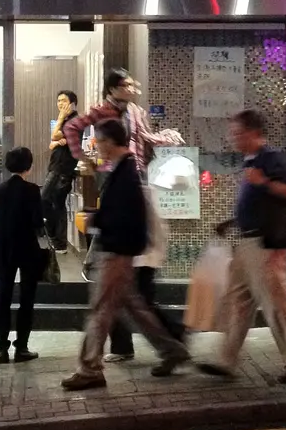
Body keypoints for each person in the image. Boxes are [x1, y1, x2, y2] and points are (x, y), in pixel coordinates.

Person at [62, 120, 190, 390]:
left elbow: (124, 216)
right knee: (136, 308)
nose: (97, 147)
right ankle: (173, 350)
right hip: (119, 251)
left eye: (99, 141)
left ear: (110, 142)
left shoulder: (126, 173)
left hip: (117, 252)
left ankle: (90, 368)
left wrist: (97, 220)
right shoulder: (123, 170)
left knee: (100, 310)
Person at [197, 109, 286, 384]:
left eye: (238, 133)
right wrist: (232, 222)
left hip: (263, 244)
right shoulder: (251, 161)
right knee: (238, 302)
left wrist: (263, 182)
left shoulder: (270, 158)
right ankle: (226, 360)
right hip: (246, 242)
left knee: (275, 303)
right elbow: (258, 204)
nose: (233, 138)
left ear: (253, 132)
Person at [64, 68, 184, 281]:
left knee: (130, 216)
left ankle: (134, 265)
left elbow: (145, 137)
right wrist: (83, 157)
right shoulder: (101, 110)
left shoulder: (135, 111)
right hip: (109, 171)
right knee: (112, 216)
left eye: (131, 85)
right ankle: (96, 265)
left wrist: (166, 138)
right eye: (125, 85)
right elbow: (72, 128)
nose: (130, 89)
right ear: (112, 89)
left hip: (133, 168)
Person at [104, 185, 187, 362]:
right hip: (137, 257)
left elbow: (141, 227)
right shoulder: (133, 188)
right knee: (127, 303)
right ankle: (124, 347)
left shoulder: (134, 189)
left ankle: (174, 338)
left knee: (139, 305)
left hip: (138, 259)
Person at [0, 146, 44, 364]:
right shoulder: (33, 191)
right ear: (28, 166)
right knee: (27, 299)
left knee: (3, 299)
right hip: (28, 251)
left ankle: (2, 349)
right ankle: (22, 348)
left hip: (3, 251)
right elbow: (38, 223)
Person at [42, 90, 79, 253]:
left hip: (62, 168)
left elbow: (54, 135)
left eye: (64, 100)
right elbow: (53, 141)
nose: (60, 104)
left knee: (44, 199)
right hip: (57, 166)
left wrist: (60, 119)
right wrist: (57, 141)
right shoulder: (67, 121)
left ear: (72, 103)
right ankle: (60, 243)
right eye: (58, 101)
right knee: (58, 204)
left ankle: (52, 236)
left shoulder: (74, 121)